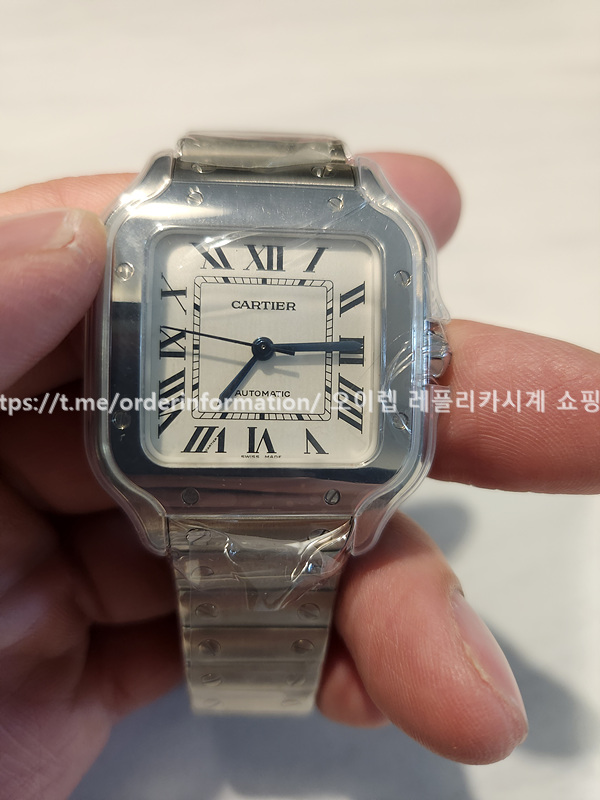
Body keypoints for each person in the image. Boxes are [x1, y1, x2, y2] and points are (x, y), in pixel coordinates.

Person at [0, 155, 597, 800]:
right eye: (259, 348)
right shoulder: (169, 220)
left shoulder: (366, 227)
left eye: (268, 348)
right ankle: (245, 686)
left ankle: (249, 685)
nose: (263, 350)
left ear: (428, 350)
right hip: (192, 493)